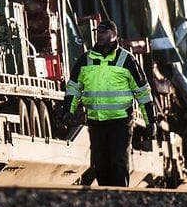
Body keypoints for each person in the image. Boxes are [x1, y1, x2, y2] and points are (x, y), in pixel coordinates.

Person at [63, 19, 155, 187]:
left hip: (120, 121)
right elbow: (74, 88)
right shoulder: (86, 59)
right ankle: (106, 198)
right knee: (101, 164)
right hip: (96, 122)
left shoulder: (127, 60)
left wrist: (150, 122)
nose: (99, 35)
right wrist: (68, 111)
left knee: (118, 162)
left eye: (104, 32)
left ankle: (120, 196)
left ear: (114, 35)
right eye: (98, 32)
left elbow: (142, 92)